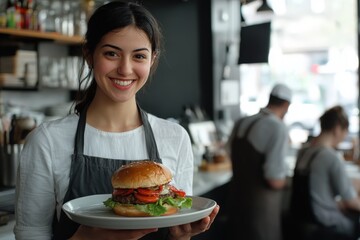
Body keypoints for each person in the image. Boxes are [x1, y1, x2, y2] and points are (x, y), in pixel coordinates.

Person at [13, 1, 219, 240]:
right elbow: (30, 234)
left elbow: (176, 225)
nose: (125, 69)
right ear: (89, 55)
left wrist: (182, 236)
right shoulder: (46, 141)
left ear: (152, 60)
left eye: (139, 56)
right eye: (111, 53)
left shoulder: (175, 137)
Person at [225, 83, 292, 240]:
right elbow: (274, 180)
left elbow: (229, 153)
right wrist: (288, 182)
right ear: (286, 105)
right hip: (260, 213)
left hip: (235, 204)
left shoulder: (241, 122)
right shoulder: (277, 127)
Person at [290, 105, 360, 239]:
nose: (344, 136)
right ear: (338, 129)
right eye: (345, 132)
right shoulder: (331, 157)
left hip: (302, 222)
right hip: (326, 225)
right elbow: (351, 202)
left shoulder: (304, 151)